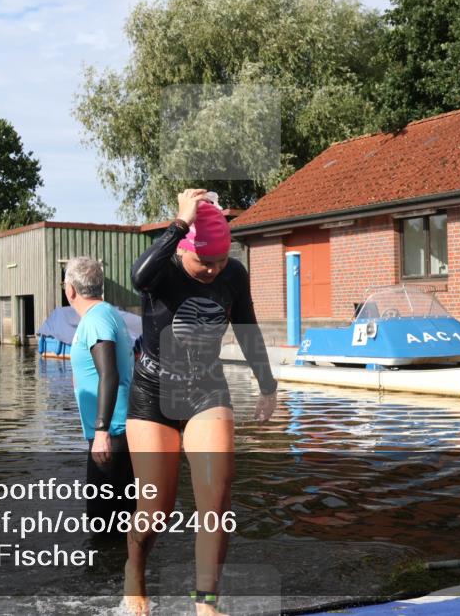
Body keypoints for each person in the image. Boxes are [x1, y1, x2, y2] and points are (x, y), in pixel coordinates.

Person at [123, 189, 278, 616]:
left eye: (219, 261)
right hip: (152, 394)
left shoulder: (234, 275)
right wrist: (178, 222)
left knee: (217, 494)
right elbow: (137, 275)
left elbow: (246, 328)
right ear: (184, 248)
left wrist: (268, 385)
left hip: (206, 390)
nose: (211, 270)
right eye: (203, 261)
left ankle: (206, 602)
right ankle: (134, 572)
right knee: (156, 510)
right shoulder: (162, 271)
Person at [65, 256, 136, 520]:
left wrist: (102, 431)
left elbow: (109, 374)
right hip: (113, 434)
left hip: (113, 435)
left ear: (70, 289)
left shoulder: (96, 319)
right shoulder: (104, 314)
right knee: (117, 521)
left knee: (104, 523)